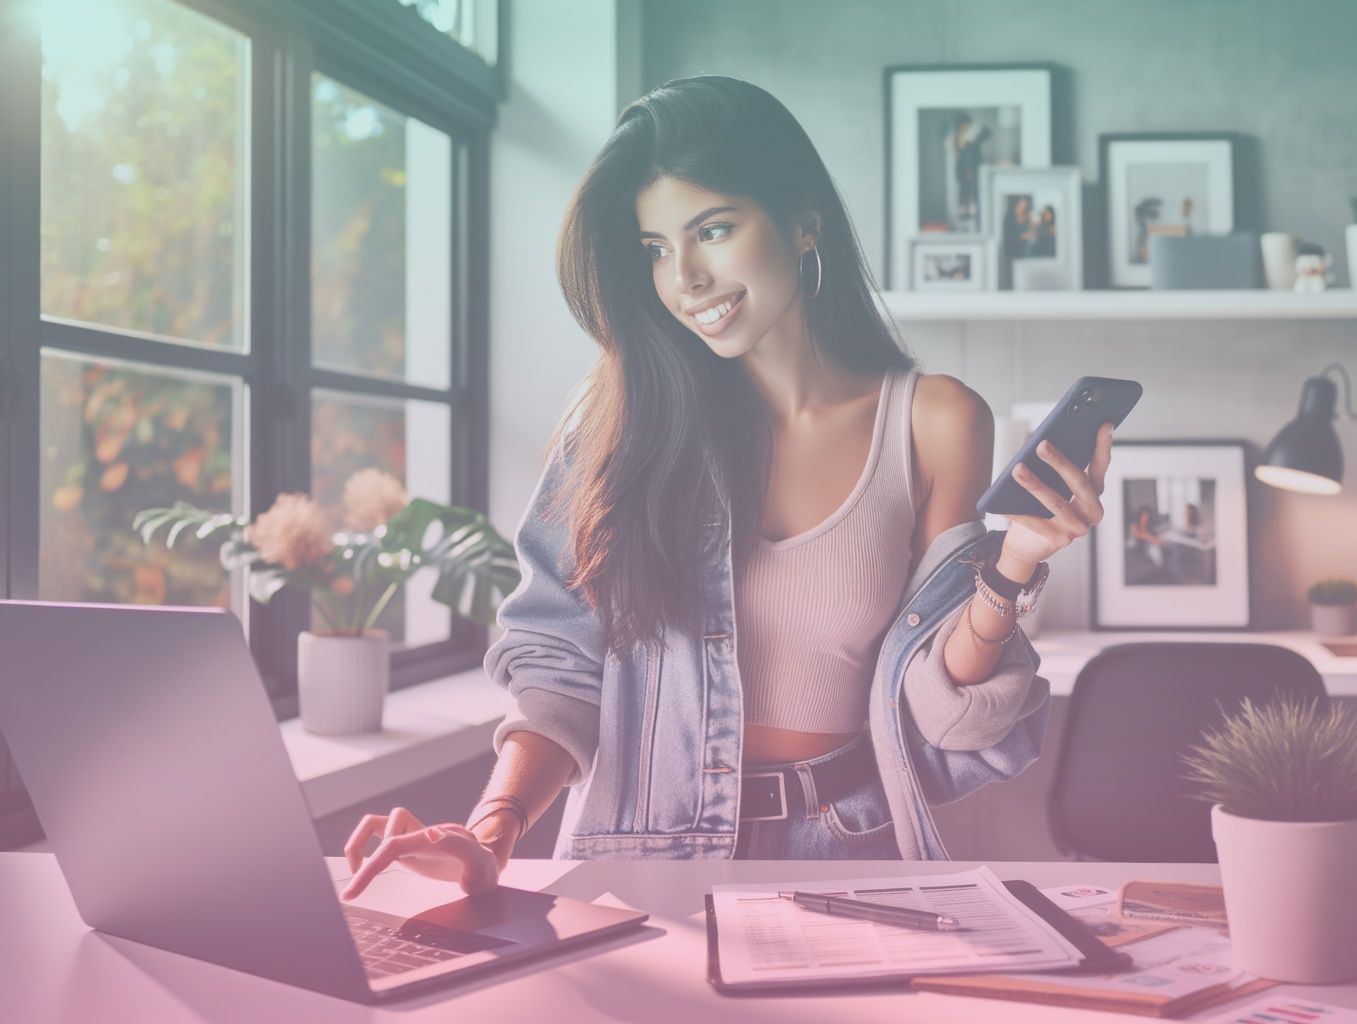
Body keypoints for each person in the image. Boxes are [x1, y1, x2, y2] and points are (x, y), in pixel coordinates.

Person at [339, 76, 1114, 898]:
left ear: (803, 221)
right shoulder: (618, 421)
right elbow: (560, 661)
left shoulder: (936, 420)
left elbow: (944, 716)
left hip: (848, 852)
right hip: (639, 856)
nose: (687, 279)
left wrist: (1017, 560)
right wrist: (492, 828)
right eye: (656, 250)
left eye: (713, 229)